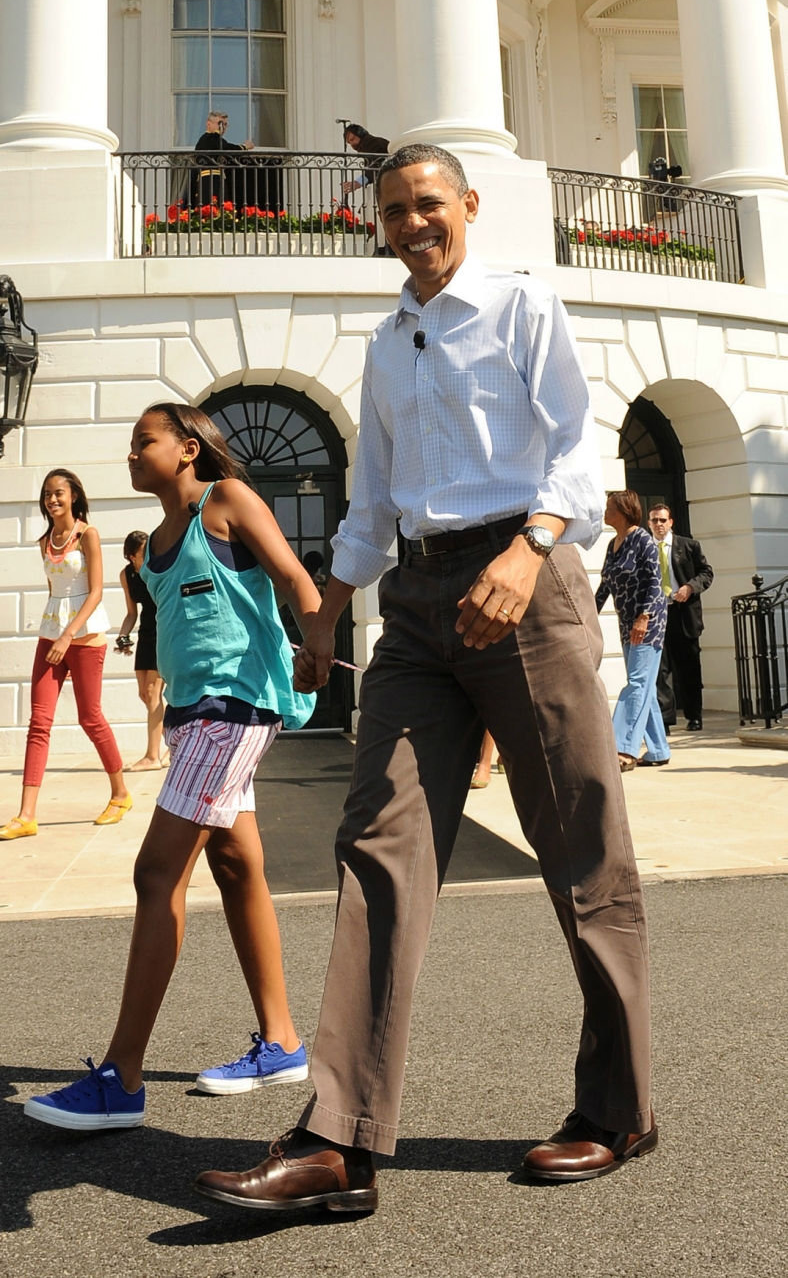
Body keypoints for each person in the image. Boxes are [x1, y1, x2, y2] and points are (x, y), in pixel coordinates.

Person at [194, 143, 654, 1214]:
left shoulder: (522, 307)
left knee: (581, 847)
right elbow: (372, 498)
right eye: (394, 209)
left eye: (429, 203)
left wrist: (531, 547)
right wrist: (322, 611)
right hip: (415, 601)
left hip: (524, 585)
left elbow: (578, 453)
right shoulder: (385, 341)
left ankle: (617, 1106)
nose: (412, 223)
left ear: (469, 205)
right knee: (378, 847)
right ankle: (338, 1140)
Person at [23, 404, 320, 1129]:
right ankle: (281, 1042)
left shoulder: (227, 500)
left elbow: (294, 578)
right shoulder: (156, 539)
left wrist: (317, 645)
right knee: (236, 866)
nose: (132, 453)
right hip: (192, 716)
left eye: (144, 442)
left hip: (235, 707)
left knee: (157, 873)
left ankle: (121, 1078)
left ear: (188, 449)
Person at [0, 469, 130, 840]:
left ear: (73, 497)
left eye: (59, 493)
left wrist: (68, 636)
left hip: (84, 636)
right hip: (50, 633)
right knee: (39, 722)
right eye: (47, 494)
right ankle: (26, 815)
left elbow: (96, 591)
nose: (52, 499)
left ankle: (120, 794)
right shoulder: (44, 541)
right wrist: (57, 634)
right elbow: (55, 589)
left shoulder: (88, 534)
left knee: (90, 717)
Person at [595, 492, 670, 772]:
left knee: (637, 683)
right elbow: (605, 585)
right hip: (627, 623)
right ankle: (659, 749)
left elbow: (655, 581)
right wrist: (588, 615)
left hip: (647, 623)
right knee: (644, 685)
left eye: (609, 507)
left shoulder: (643, 540)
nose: (605, 511)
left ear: (624, 511)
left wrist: (644, 616)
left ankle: (622, 747)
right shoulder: (612, 544)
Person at [647, 504, 714, 732]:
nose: (659, 524)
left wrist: (690, 587)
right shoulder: (644, 549)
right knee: (660, 670)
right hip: (656, 614)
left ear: (671, 522)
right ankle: (665, 720)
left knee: (689, 668)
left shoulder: (688, 546)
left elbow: (706, 572)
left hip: (683, 614)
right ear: (649, 524)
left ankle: (694, 716)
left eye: (662, 520)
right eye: (654, 520)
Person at [115, 530, 168, 772]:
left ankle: (152, 756)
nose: (148, 554)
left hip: (164, 629)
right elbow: (131, 613)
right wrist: (123, 637)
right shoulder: (126, 575)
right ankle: (175, 745)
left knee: (153, 691)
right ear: (131, 556)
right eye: (142, 551)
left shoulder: (159, 568)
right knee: (145, 695)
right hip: (146, 632)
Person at [192, 110, 254, 207]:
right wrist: (244, 147)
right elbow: (227, 149)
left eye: (225, 125)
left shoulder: (213, 139)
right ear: (209, 124)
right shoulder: (210, 138)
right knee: (212, 207)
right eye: (220, 124)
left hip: (214, 179)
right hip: (210, 181)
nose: (223, 127)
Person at [340, 122, 390, 196]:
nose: (352, 144)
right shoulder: (368, 145)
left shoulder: (372, 143)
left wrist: (358, 182)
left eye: (352, 139)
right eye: (349, 142)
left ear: (360, 134)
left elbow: (376, 166)